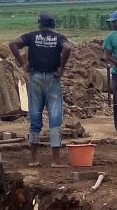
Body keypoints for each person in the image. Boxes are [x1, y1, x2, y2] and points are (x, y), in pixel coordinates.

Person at [9, 12, 72, 166]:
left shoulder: (32, 36)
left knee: (35, 117)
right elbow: (68, 48)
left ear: (40, 23)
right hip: (53, 78)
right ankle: (56, 160)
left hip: (35, 77)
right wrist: (61, 68)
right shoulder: (58, 37)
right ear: (53, 24)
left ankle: (33, 159)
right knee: (55, 118)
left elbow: (12, 43)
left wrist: (22, 63)